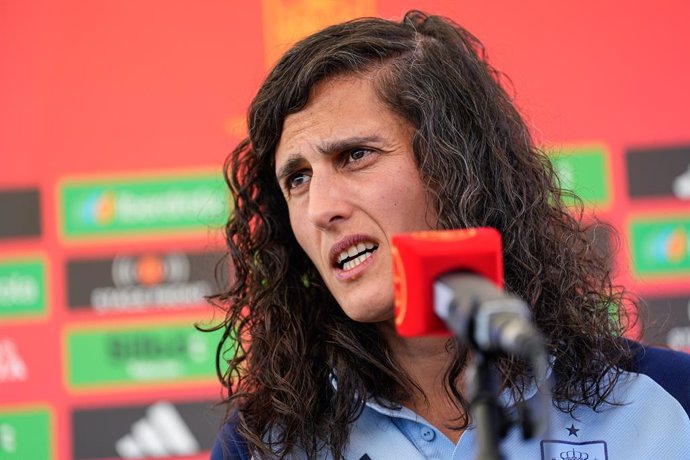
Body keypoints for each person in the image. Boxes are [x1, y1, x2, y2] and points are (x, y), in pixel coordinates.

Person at [209, 10, 690, 459]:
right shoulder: (261, 443)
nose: (320, 209)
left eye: (355, 155)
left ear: (456, 165)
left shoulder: (669, 401)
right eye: (298, 179)